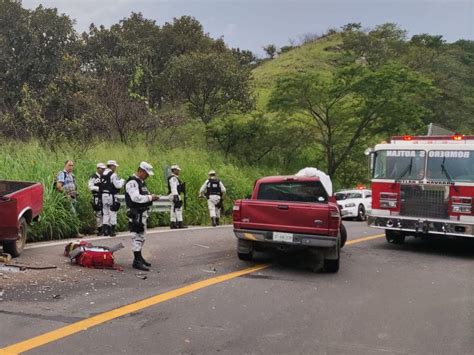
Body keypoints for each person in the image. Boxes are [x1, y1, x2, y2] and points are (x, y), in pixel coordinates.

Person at [125, 161, 160, 271]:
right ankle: (136, 261)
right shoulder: (132, 182)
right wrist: (150, 198)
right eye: (147, 173)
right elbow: (135, 198)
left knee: (142, 236)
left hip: (142, 213)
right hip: (136, 213)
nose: (148, 176)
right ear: (141, 171)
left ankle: (139, 257)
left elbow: (143, 195)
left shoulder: (141, 182)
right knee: (137, 236)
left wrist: (151, 196)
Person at [101, 160, 125, 237]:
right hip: (110, 195)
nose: (115, 168)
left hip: (103, 195)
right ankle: (112, 231)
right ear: (111, 166)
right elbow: (118, 185)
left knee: (105, 212)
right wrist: (122, 181)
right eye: (114, 166)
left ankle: (105, 230)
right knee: (113, 212)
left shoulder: (102, 173)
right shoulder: (113, 174)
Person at [88, 163, 106, 236]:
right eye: (101, 169)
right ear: (98, 168)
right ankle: (99, 229)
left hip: (104, 196)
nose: (103, 170)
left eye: (104, 169)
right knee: (98, 213)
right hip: (96, 196)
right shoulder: (93, 177)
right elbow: (90, 187)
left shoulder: (105, 176)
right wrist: (99, 188)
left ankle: (105, 228)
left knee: (105, 212)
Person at [168, 164, 187, 229]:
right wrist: (175, 196)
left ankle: (173, 223)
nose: (179, 171)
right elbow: (173, 187)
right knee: (178, 209)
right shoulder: (173, 178)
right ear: (174, 170)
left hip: (172, 194)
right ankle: (180, 223)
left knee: (173, 209)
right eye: (177, 170)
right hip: (175, 194)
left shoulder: (174, 177)